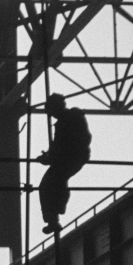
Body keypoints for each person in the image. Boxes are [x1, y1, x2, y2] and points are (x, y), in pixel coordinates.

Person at [37, 93, 91, 234]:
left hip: (69, 159)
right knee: (58, 182)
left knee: (47, 186)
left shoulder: (65, 121)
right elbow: (60, 144)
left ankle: (54, 217)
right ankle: (57, 211)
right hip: (75, 158)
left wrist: (49, 158)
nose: (51, 115)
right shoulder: (72, 118)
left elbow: (62, 144)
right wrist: (50, 156)